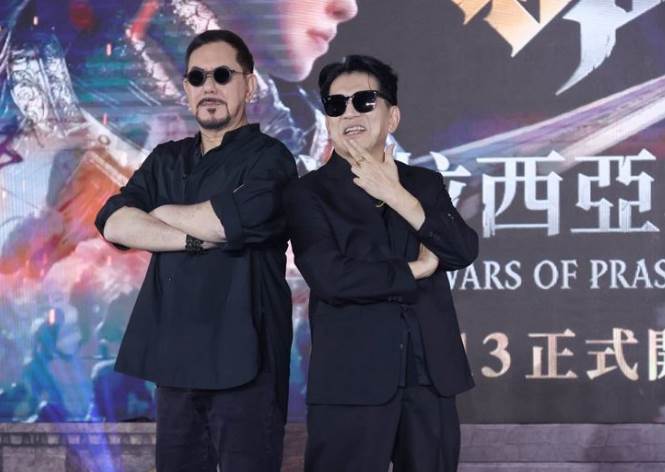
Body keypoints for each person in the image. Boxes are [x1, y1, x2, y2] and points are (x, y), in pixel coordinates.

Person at [95, 30, 297, 471]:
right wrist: (189, 237)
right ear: (185, 89)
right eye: (197, 77)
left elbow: (225, 222)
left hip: (248, 359)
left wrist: (159, 214)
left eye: (223, 75)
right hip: (175, 360)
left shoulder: (272, 158)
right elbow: (113, 221)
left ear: (249, 85)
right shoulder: (166, 159)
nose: (209, 87)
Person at [284, 55, 479, 471]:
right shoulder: (307, 193)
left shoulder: (424, 184)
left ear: (392, 117)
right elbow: (332, 278)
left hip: (429, 378)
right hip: (351, 382)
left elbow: (461, 250)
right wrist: (416, 269)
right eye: (336, 104)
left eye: (364, 101)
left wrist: (397, 196)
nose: (349, 112)